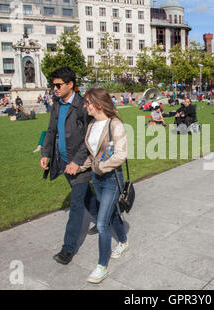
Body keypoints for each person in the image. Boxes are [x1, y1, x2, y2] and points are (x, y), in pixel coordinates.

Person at [40, 66, 98, 265]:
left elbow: (90, 137)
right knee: (86, 196)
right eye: (53, 85)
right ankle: (104, 218)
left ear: (70, 84)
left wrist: (77, 161)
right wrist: (46, 153)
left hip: (80, 165)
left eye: (58, 85)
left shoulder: (83, 105)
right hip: (63, 162)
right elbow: (50, 131)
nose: (54, 88)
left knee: (76, 204)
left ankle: (68, 249)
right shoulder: (56, 104)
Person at [72, 87, 128, 284]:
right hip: (97, 178)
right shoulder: (91, 126)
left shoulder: (115, 125)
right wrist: (79, 168)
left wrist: (101, 167)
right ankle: (123, 241)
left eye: (87, 103)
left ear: (97, 104)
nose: (85, 106)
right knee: (111, 214)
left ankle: (101, 267)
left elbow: (121, 155)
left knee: (102, 222)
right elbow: (92, 155)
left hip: (112, 178)